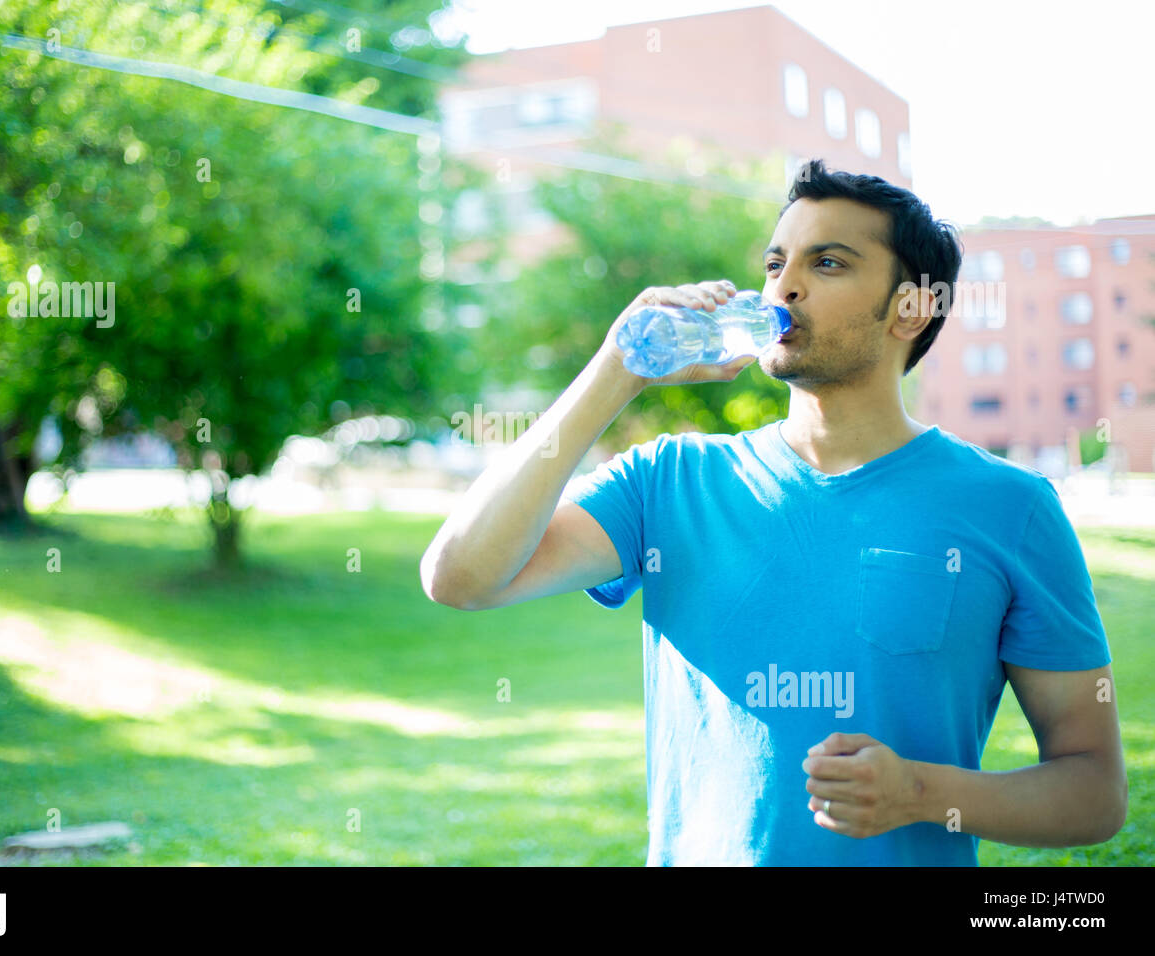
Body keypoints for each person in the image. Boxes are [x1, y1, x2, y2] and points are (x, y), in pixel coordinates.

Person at [419, 159, 1126, 865]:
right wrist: (616, 371)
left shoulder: (1011, 508)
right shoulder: (666, 482)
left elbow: (1093, 790)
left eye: (828, 262)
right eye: (775, 261)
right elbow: (461, 577)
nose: (784, 285)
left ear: (911, 307)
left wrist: (915, 791)